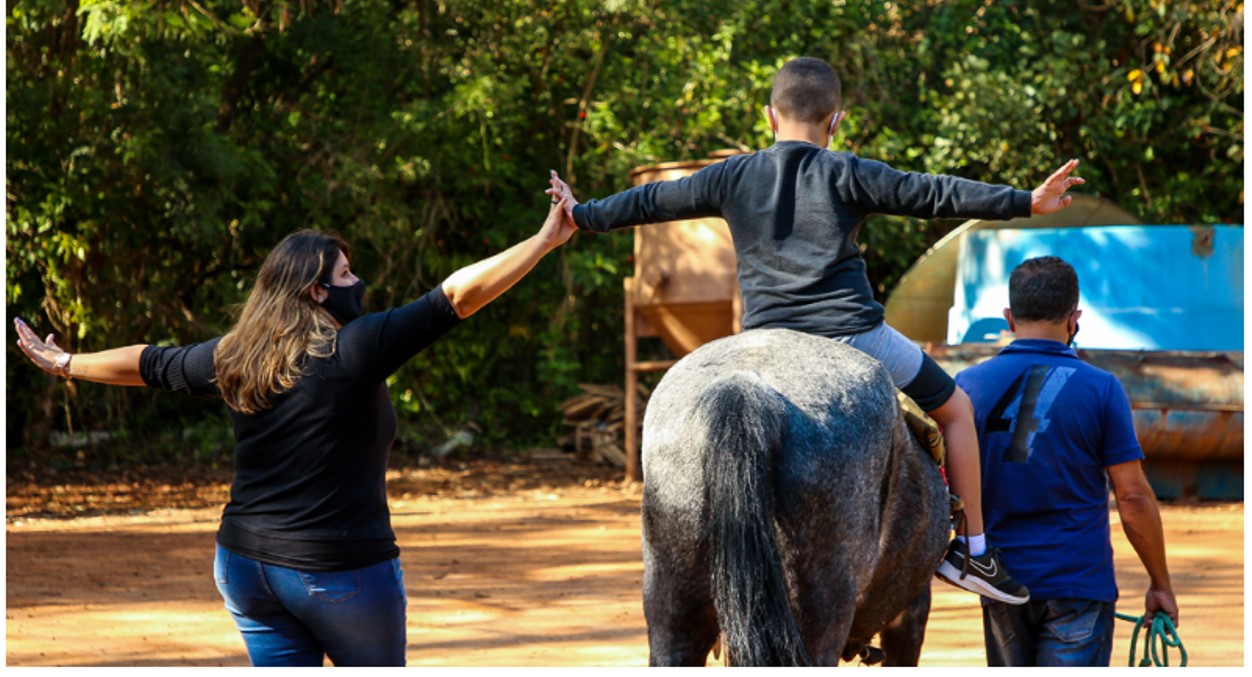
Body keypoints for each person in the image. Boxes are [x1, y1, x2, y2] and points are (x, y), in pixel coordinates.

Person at [547, 56, 1085, 605]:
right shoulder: (848, 171)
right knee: (954, 410)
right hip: (850, 335)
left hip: (758, 344)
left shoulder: (732, 173)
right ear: (836, 121)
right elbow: (933, 193)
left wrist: (582, 213)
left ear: (768, 117)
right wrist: (1024, 201)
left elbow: (652, 201)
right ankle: (972, 550)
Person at [13, 198, 577, 666]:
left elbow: (149, 363)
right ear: (316, 292)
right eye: (346, 275)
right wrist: (544, 241)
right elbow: (455, 297)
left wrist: (66, 363)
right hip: (339, 571)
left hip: (245, 569)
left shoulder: (233, 355)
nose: (359, 282)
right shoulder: (354, 348)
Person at [954, 256, 1179, 666]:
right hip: (1078, 584)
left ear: (1009, 316)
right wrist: (1160, 583)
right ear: (1074, 319)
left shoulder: (966, 389)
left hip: (1001, 582)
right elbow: (1132, 498)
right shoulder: (1102, 389)